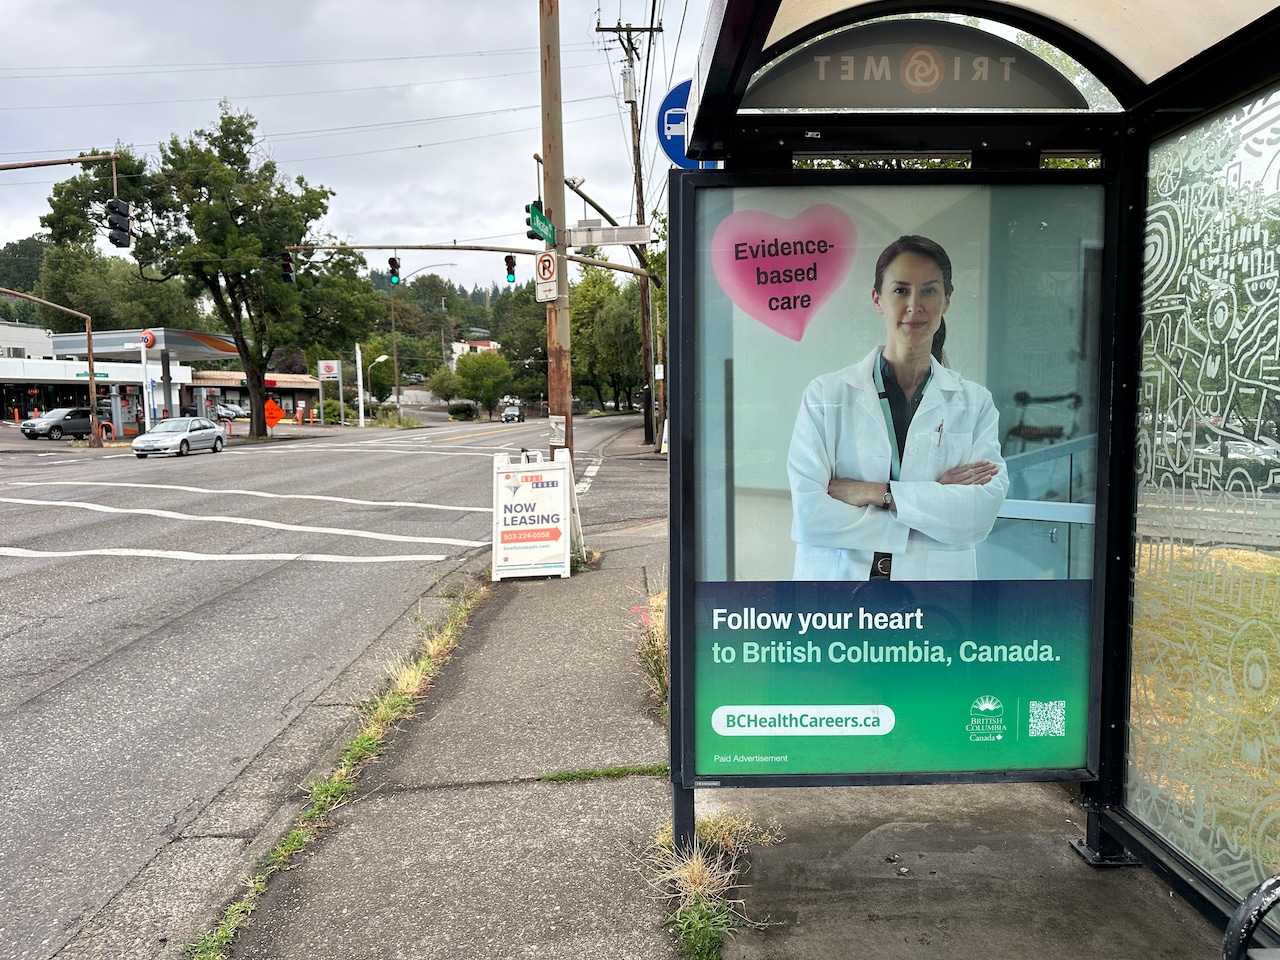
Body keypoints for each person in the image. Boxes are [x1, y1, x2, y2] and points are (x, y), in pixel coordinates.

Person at [788, 235, 1007, 580]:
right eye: (900, 290)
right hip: (840, 586)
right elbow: (810, 516)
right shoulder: (825, 396)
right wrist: (932, 501)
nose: (914, 305)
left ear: (947, 300)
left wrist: (878, 494)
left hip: (933, 594)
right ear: (878, 299)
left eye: (929, 290)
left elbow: (978, 516)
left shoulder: (975, 403)